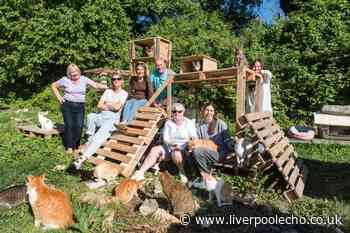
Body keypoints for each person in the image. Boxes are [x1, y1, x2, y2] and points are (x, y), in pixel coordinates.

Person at [69, 72, 128, 170]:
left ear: (122, 81)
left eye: (118, 79)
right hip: (101, 116)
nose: (116, 81)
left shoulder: (124, 93)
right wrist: (111, 104)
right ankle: (88, 140)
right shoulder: (108, 91)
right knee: (91, 116)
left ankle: (81, 159)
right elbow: (99, 105)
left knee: (98, 138)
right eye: (114, 79)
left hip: (111, 119)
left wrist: (107, 104)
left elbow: (117, 108)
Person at [131, 103, 197, 183]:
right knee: (155, 149)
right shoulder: (168, 123)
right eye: (174, 111)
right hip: (169, 147)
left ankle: (182, 172)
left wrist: (183, 146)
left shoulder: (188, 123)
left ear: (184, 112)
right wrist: (172, 144)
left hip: (184, 148)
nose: (177, 113)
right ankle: (140, 172)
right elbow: (165, 138)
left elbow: (194, 138)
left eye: (180, 111)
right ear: (172, 112)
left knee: (176, 153)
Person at [51, 63, 107, 154]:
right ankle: (69, 147)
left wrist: (108, 86)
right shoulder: (65, 80)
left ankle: (76, 145)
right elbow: (53, 85)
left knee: (79, 126)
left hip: (80, 106)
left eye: (76, 72)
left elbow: (96, 85)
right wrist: (59, 97)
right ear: (69, 73)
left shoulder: (84, 79)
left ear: (79, 71)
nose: (75, 74)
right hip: (67, 105)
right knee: (69, 125)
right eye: (72, 73)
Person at [191, 104, 234, 187]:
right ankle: (194, 177)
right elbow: (196, 140)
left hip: (219, 152)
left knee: (197, 151)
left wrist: (232, 146)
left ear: (214, 112)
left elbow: (227, 139)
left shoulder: (221, 124)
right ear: (203, 111)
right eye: (207, 110)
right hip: (205, 151)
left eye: (211, 111)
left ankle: (206, 178)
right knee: (191, 151)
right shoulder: (199, 125)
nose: (209, 113)